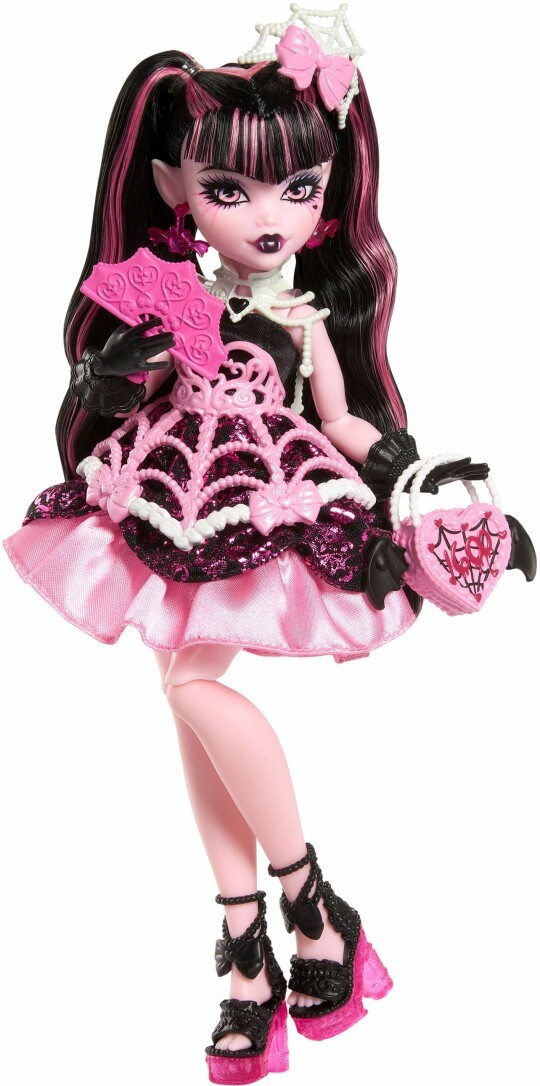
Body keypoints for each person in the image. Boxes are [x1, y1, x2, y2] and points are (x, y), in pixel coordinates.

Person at [3, 11, 533, 1084]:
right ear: (175, 187)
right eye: (229, 190)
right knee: (182, 697)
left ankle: (307, 899)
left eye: (298, 188)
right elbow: (129, 382)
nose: (269, 216)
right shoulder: (175, 295)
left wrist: (412, 470)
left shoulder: (302, 315)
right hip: (168, 488)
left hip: (270, 495)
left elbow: (339, 417)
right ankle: (253, 946)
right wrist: (110, 376)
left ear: (328, 192)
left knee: (192, 690)